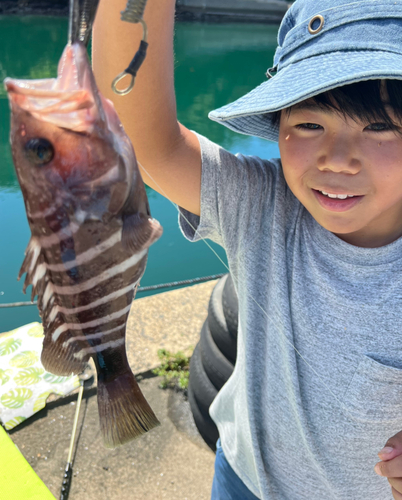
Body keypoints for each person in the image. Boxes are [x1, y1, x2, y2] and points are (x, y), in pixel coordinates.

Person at [93, 0, 402, 498]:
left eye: (381, 127)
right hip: (242, 478)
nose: (339, 160)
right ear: (277, 124)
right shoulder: (262, 203)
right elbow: (145, 143)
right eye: (309, 124)